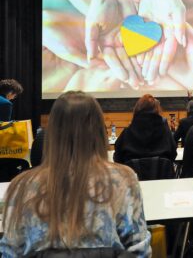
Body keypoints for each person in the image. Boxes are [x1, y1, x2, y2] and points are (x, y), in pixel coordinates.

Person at [0, 91, 151, 257]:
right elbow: (140, 251)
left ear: (51, 132)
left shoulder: (21, 186)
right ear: (99, 131)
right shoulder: (123, 179)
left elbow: (9, 253)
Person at [114, 94, 177, 164]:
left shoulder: (126, 133)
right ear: (157, 110)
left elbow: (117, 158)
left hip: (134, 174)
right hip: (162, 174)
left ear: (137, 109)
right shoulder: (165, 132)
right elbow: (173, 154)